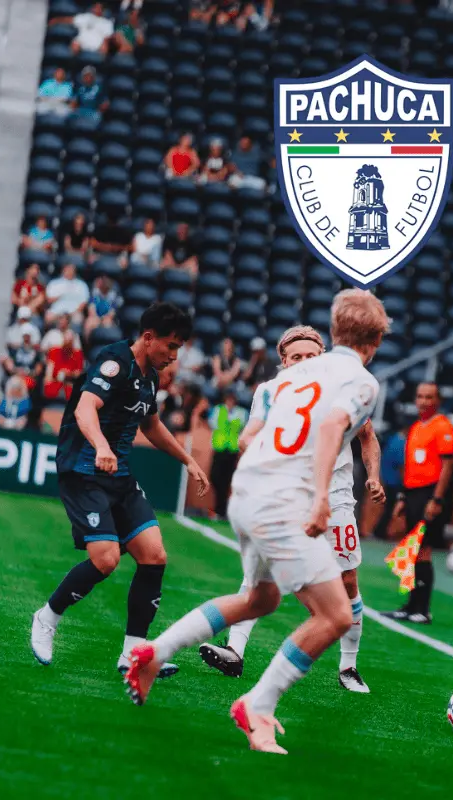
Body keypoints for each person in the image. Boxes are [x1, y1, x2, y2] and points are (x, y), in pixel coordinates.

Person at [122, 289, 389, 757]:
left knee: (260, 598)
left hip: (247, 493)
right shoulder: (362, 382)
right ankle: (258, 705)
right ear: (376, 341)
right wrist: (320, 496)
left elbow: (250, 436)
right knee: (336, 614)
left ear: (332, 332)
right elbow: (332, 428)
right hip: (287, 500)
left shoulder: (287, 377)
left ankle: (152, 652)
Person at [200, 325, 384, 693]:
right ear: (284, 362)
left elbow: (368, 437)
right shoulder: (270, 392)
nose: (303, 362)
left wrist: (374, 477)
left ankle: (348, 666)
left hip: (336, 497)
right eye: (296, 357)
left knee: (348, 581)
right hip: (290, 494)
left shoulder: (342, 390)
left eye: (310, 356)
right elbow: (249, 437)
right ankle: (234, 651)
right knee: (260, 572)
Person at [29, 303, 209, 678]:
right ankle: (47, 618)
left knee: (154, 555)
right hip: (83, 472)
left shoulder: (150, 377)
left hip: (119, 475)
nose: (174, 356)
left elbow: (151, 425)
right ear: (148, 338)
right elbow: (85, 409)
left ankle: (132, 654)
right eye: (170, 346)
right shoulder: (114, 363)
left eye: (178, 348)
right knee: (106, 559)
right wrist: (101, 446)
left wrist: (187, 460)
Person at [381, 382, 453, 624]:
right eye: (420, 396)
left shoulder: (443, 427)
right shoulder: (415, 427)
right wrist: (402, 497)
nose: (423, 401)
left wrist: (436, 499)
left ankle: (422, 609)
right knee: (411, 550)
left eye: (429, 397)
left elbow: (447, 466)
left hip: (429, 494)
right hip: (413, 494)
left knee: (423, 551)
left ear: (438, 401)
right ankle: (410, 605)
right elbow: (411, 467)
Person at [207, 388, 246, 519]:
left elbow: (240, 426)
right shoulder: (218, 410)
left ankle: (221, 510)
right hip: (219, 447)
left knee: (226, 480)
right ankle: (221, 508)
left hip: (231, 450)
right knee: (214, 477)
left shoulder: (240, 412)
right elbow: (213, 424)